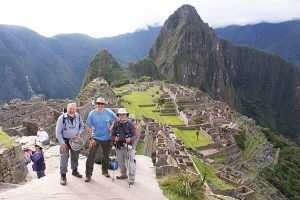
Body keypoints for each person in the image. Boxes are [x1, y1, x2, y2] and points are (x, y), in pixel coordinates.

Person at [85, 97, 117, 182]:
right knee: (91, 155)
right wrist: (91, 138)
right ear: (96, 104)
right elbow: (89, 126)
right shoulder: (92, 114)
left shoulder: (108, 112)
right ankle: (88, 175)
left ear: (104, 105)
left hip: (107, 137)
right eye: (98, 103)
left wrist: (112, 127)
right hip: (95, 138)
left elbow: (116, 119)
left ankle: (105, 171)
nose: (100, 105)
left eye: (101, 104)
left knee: (106, 155)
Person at [56, 102, 84, 185]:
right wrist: (62, 143)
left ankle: (74, 171)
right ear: (67, 109)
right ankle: (63, 175)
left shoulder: (78, 116)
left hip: (75, 141)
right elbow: (58, 132)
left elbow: (82, 126)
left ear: (76, 109)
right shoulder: (62, 118)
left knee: (75, 156)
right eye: (70, 109)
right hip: (64, 141)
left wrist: (79, 132)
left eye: (73, 109)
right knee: (64, 158)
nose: (72, 110)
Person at [111, 108, 137, 185]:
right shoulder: (116, 123)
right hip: (119, 146)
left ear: (126, 115)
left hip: (128, 146)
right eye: (120, 115)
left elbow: (135, 135)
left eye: (123, 114)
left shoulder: (130, 124)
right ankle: (123, 174)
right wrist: (114, 138)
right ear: (118, 115)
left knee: (130, 162)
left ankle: (131, 178)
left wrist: (130, 139)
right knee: (120, 162)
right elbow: (112, 134)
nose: (122, 116)